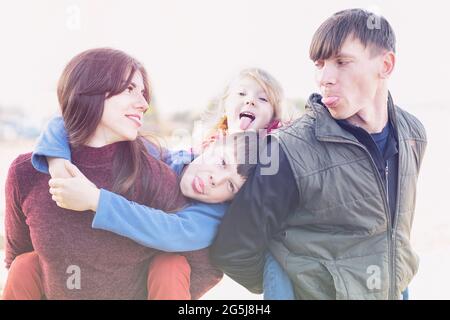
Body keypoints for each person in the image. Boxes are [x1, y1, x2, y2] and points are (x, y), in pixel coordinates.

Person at [3, 67, 292, 299]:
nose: (217, 179)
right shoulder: (174, 157)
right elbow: (70, 120)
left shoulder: (217, 211)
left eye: (229, 187)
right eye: (241, 93)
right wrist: (55, 160)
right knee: (25, 265)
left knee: (170, 265)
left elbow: (169, 232)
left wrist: (95, 200)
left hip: (150, 278)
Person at [210, 8, 427, 300]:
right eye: (320, 63)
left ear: (385, 65)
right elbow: (234, 249)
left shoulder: (414, 134)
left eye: (341, 62)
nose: (324, 77)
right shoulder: (288, 149)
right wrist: (290, 287)